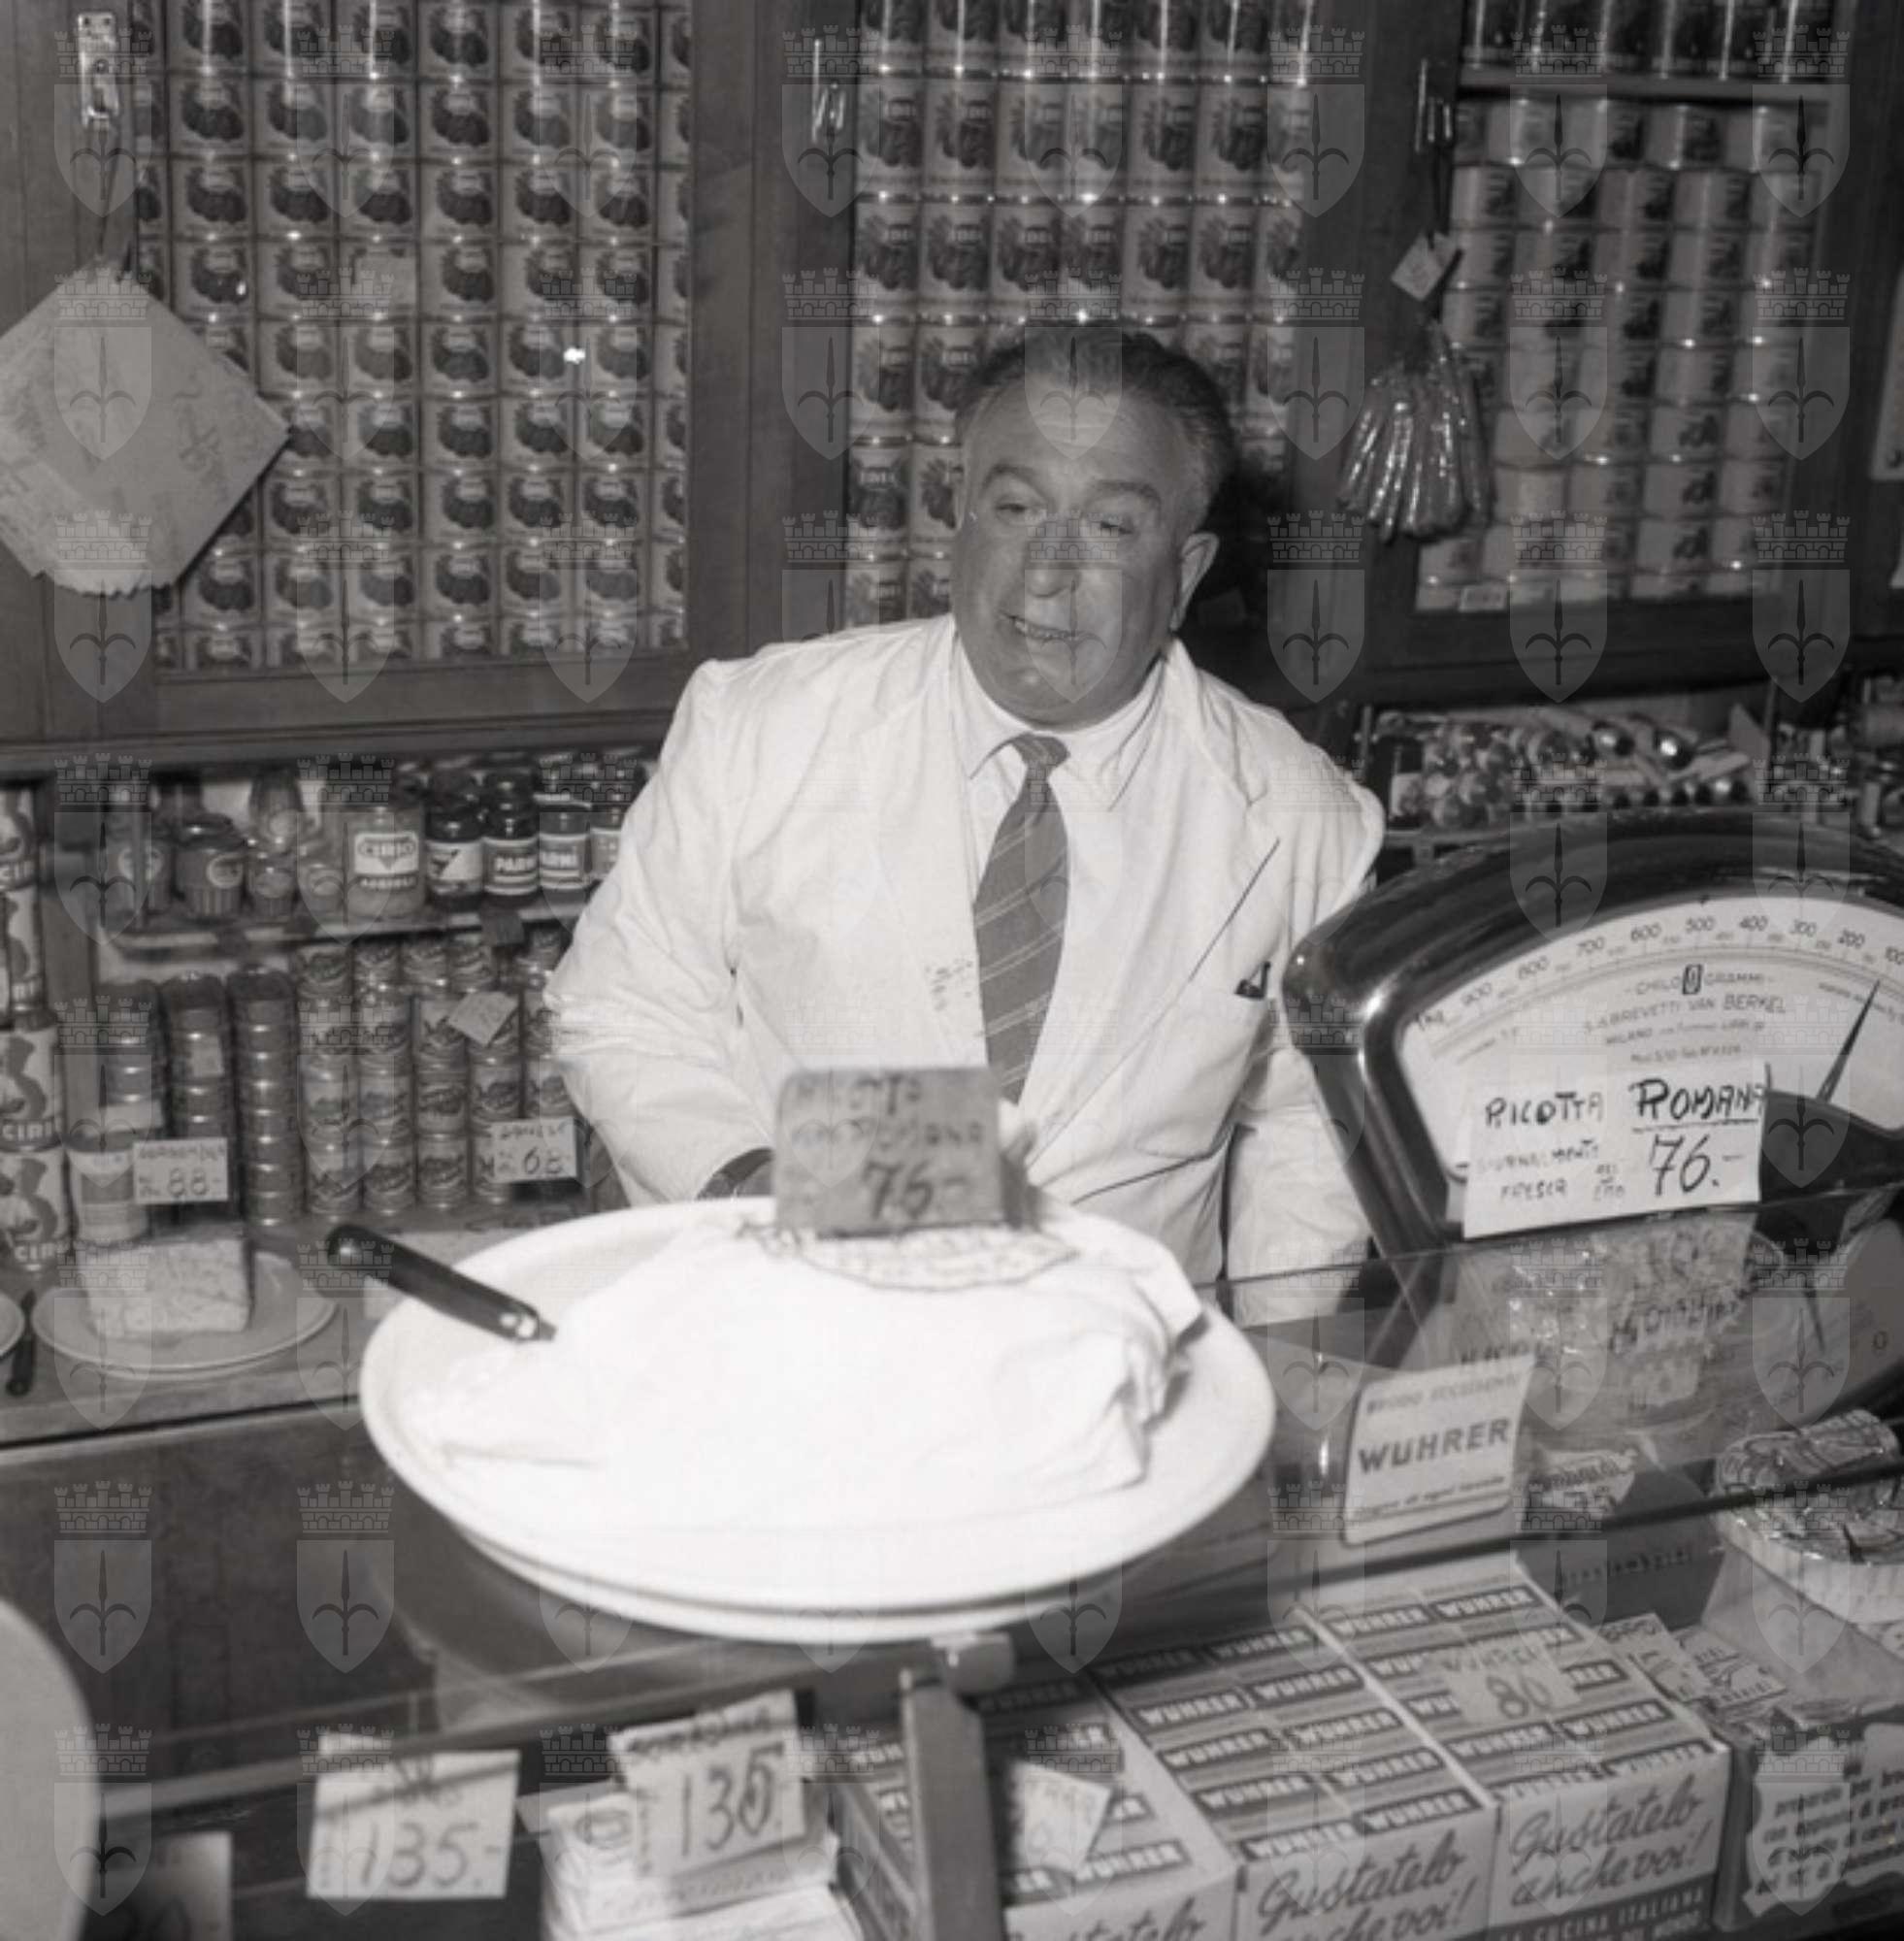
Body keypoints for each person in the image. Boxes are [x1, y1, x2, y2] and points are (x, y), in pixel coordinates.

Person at [550, 329, 1383, 1291]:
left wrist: (1280, 1349)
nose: (1046, 570)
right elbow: (621, 1009)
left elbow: (1306, 1131)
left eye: (1111, 527)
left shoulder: (1303, 817)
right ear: (960, 514)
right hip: (810, 1316)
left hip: (1121, 1346)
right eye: (1016, 507)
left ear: (1186, 573)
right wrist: (752, 1183)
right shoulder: (763, 724)